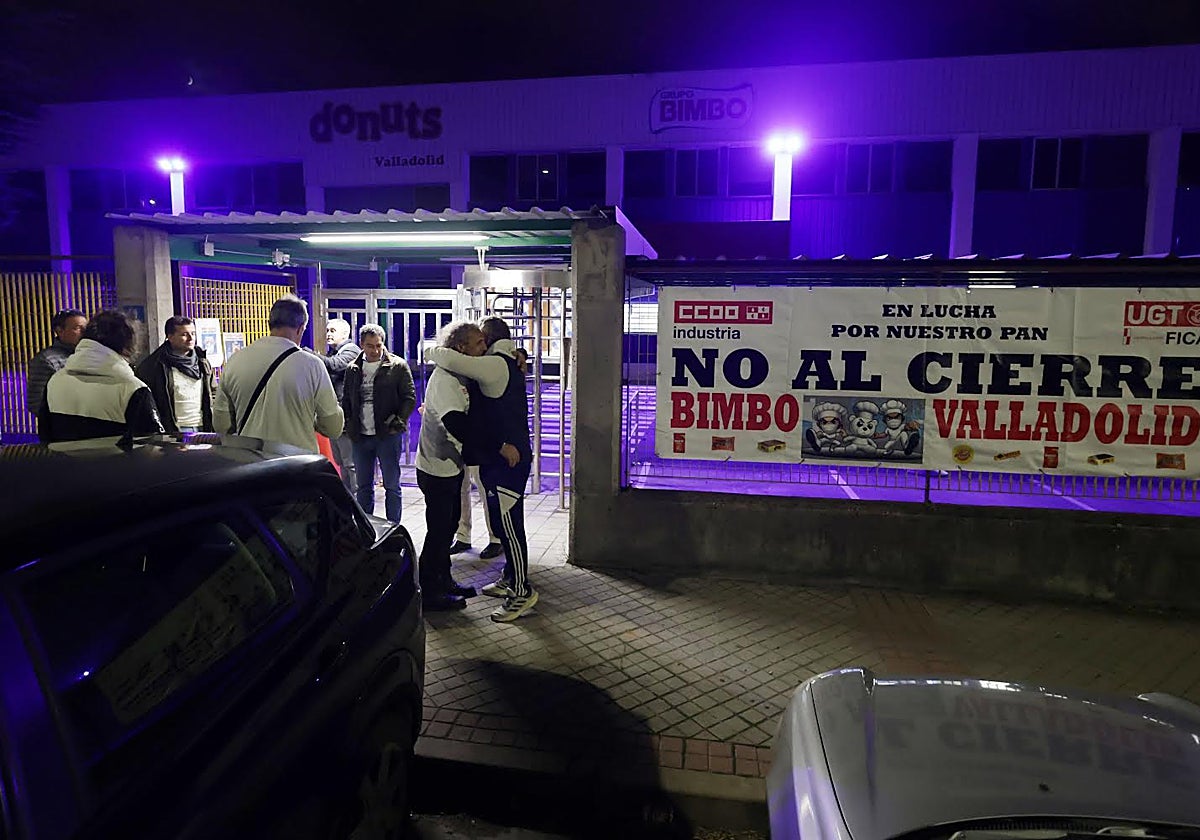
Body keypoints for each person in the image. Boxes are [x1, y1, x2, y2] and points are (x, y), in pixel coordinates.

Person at [428, 317, 537, 623]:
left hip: (508, 461)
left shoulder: (494, 365)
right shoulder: (502, 362)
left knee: (510, 529)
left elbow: (448, 357)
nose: (482, 345)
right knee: (504, 524)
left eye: (482, 340)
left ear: (490, 341)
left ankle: (521, 591)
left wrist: (432, 350)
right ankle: (510, 577)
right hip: (499, 460)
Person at [415, 321, 487, 612]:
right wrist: (491, 445)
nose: (484, 348)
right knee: (438, 532)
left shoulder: (460, 374)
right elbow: (455, 423)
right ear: (460, 348)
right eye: (478, 343)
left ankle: (444, 580)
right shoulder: (445, 379)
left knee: (448, 526)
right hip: (436, 468)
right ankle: (429, 591)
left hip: (449, 467)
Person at [212, 295, 343, 453]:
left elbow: (221, 424)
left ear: (270, 323)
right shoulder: (312, 365)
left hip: (251, 459)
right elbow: (333, 427)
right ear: (301, 328)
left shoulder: (235, 361)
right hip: (297, 460)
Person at [39, 310, 164, 442]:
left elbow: (45, 434)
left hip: (63, 455)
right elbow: (152, 444)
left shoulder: (56, 381)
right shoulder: (133, 389)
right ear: (128, 343)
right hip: (114, 456)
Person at [341, 323, 416, 523]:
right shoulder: (353, 368)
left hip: (387, 435)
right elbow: (346, 399)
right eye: (370, 346)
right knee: (364, 487)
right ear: (361, 345)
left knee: (392, 485)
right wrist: (349, 423)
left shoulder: (397, 366)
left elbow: (409, 397)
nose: (375, 350)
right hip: (361, 435)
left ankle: (394, 526)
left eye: (378, 345)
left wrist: (399, 421)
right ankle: (367, 527)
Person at [135, 316, 215, 433]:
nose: (191, 338)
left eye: (193, 333)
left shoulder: (202, 361)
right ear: (170, 337)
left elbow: (213, 391)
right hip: (173, 430)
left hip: (203, 427)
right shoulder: (154, 366)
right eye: (184, 334)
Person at [319, 318, 361, 492]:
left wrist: (307, 354)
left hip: (347, 418)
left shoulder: (351, 351)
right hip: (337, 417)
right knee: (342, 462)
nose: (328, 334)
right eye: (327, 330)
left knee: (350, 464)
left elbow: (334, 366)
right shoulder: (334, 352)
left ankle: (358, 500)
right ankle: (349, 498)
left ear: (345, 334)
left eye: (333, 331)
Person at [26, 308, 87, 425]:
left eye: (85, 328)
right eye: (77, 328)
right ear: (60, 331)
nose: (84, 332)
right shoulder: (46, 360)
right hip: (62, 428)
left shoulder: (87, 356)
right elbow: (36, 402)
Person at [451, 468, 503, 559]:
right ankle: (463, 536)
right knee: (461, 489)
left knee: (486, 490)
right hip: (459, 458)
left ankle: (496, 538)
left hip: (481, 459)